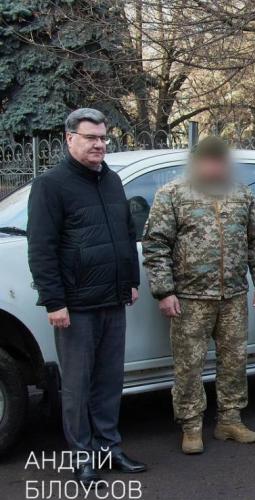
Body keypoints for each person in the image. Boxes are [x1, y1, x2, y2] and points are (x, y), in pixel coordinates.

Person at [27, 108, 146, 485]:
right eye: (91, 137)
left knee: (109, 382)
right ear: (70, 139)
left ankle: (109, 447)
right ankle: (82, 456)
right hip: (76, 305)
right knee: (77, 386)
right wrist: (54, 301)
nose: (99, 144)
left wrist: (131, 279)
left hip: (112, 299)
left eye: (103, 137)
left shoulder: (111, 180)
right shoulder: (51, 185)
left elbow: (126, 233)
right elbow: (41, 248)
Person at [142, 136, 255, 454]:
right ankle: (191, 426)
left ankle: (230, 420)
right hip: (190, 297)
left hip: (233, 296)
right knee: (189, 365)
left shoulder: (241, 194)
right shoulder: (173, 194)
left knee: (234, 360)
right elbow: (156, 245)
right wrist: (164, 291)